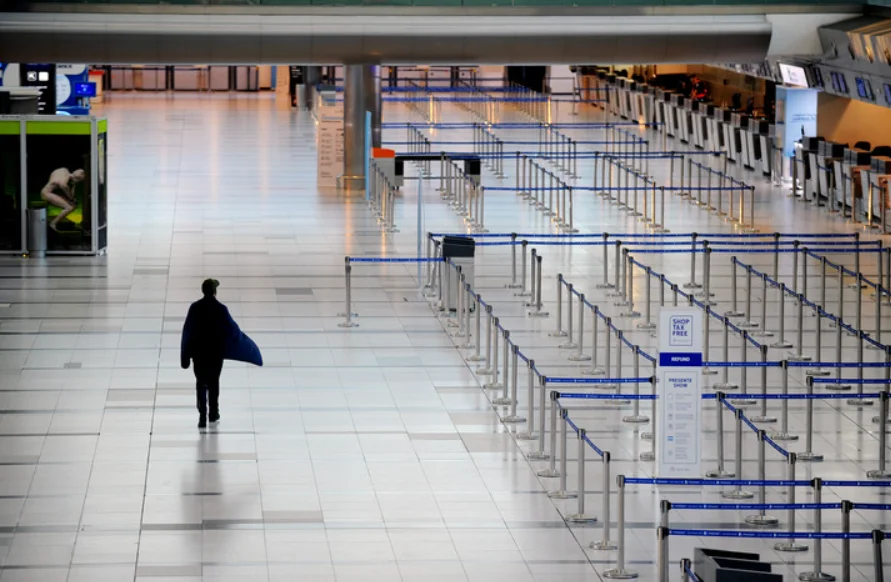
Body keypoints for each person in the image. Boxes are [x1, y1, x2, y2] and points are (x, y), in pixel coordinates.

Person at [180, 279, 232, 429]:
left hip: (199, 353)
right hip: (215, 353)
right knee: (214, 381)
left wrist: (185, 356)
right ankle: (213, 413)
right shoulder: (221, 309)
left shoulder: (195, 308)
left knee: (201, 382)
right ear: (214, 291)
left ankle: (202, 415)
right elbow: (231, 330)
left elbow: (187, 332)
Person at [40, 168, 85, 232]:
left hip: (49, 192)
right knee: (69, 207)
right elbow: (63, 185)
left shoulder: (64, 170)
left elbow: (71, 189)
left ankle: (53, 223)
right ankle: (53, 224)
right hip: (46, 194)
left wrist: (72, 198)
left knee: (72, 205)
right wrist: (72, 199)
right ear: (76, 179)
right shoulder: (64, 182)